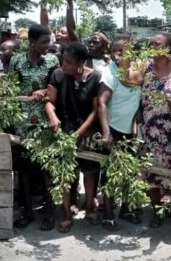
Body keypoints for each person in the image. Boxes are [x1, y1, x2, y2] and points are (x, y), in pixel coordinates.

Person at [45, 42, 102, 233]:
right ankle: (67, 213)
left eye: (68, 62)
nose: (64, 65)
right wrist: (52, 116)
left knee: (90, 171)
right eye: (63, 61)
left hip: (88, 133)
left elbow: (95, 111)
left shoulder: (95, 78)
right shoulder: (58, 75)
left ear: (81, 63)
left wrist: (80, 133)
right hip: (64, 131)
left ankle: (90, 207)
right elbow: (49, 102)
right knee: (66, 174)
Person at [9, 24, 59, 230]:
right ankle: (28, 212)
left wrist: (42, 91)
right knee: (26, 170)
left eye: (49, 41)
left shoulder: (52, 61)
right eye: (44, 42)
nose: (49, 46)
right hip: (22, 122)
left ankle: (49, 213)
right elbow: (11, 88)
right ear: (31, 43)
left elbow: (56, 88)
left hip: (45, 120)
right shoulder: (16, 61)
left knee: (47, 168)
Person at [141, 32, 171, 229]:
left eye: (157, 44)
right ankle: (156, 211)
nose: (152, 46)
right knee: (150, 172)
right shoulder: (146, 70)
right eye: (150, 43)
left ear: (168, 49)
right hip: (150, 131)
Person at [97, 35, 143, 228]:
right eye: (115, 50)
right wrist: (106, 132)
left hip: (130, 132)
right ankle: (108, 213)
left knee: (130, 172)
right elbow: (101, 102)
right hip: (113, 129)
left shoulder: (138, 71)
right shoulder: (110, 73)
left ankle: (126, 208)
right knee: (109, 174)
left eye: (123, 50)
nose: (119, 54)